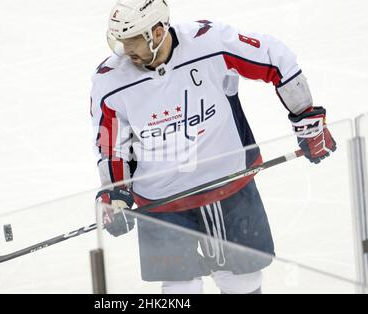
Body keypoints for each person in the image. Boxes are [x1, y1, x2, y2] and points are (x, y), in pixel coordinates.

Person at [91, 0, 336, 294]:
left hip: (226, 181)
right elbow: (111, 144)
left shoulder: (210, 44)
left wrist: (307, 118)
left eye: (130, 41)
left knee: (242, 278)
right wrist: (114, 192)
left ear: (156, 33)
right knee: (179, 288)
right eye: (119, 40)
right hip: (160, 196)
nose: (123, 49)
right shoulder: (109, 81)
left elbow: (275, 57)